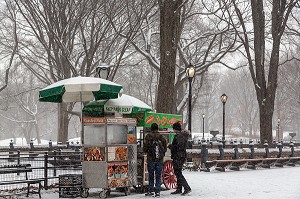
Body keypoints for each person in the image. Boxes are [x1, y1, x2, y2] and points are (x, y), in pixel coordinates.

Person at [143, 123, 167, 198]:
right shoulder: (161, 137)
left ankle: (150, 191)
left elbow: (145, 148)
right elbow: (165, 148)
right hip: (159, 160)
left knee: (151, 175)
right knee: (158, 176)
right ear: (157, 128)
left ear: (151, 128)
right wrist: (161, 154)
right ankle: (157, 192)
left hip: (151, 159)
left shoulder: (148, 136)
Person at [168, 121, 192, 195]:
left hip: (178, 156)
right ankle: (179, 188)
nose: (173, 130)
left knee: (178, 172)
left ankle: (187, 188)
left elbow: (177, 147)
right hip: (181, 156)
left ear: (176, 129)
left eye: (173, 129)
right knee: (178, 172)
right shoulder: (183, 135)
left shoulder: (179, 136)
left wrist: (170, 146)